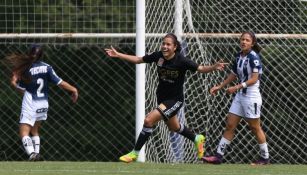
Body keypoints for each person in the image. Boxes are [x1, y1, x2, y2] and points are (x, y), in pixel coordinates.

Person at [105, 33, 227, 163]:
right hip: (162, 98)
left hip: (175, 100)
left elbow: (201, 68)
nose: (164, 46)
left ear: (175, 47)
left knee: (148, 120)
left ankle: (134, 153)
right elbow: (139, 59)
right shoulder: (158, 56)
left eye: (168, 44)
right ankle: (197, 138)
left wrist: (213, 67)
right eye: (163, 43)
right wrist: (118, 55)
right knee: (174, 127)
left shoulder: (181, 60)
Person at [202, 31, 269, 165]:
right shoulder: (238, 56)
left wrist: (236, 87)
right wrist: (220, 86)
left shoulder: (254, 57)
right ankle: (218, 156)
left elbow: (255, 79)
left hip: (251, 96)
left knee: (255, 128)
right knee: (230, 125)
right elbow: (233, 74)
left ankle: (265, 158)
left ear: (252, 43)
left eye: (247, 40)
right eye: (242, 39)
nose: (244, 42)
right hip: (240, 96)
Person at [7, 44, 79, 161]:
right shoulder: (47, 67)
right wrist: (73, 89)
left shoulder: (26, 69)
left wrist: (14, 83)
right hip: (43, 103)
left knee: (24, 132)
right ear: (41, 55)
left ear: (30, 53)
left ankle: (32, 154)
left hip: (31, 103)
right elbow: (60, 82)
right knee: (35, 131)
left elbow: (23, 91)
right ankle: (37, 154)